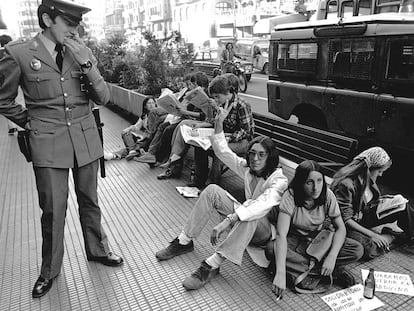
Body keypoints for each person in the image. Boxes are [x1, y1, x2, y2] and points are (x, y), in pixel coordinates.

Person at [0, 0, 123, 298]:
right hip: (47, 141)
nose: (74, 29)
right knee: (53, 210)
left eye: (77, 24)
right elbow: (2, 98)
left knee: (90, 201)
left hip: (84, 138)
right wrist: (30, 121)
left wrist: (87, 63)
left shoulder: (82, 52)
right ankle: (50, 270)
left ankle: (98, 249)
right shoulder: (18, 53)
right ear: (47, 19)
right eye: (68, 23)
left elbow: (104, 97)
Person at [155, 101, 288, 291]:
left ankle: (212, 264)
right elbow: (223, 152)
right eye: (252, 154)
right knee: (212, 191)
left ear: (270, 157)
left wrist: (229, 219)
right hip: (244, 224)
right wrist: (219, 124)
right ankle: (184, 240)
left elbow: (263, 204)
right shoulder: (249, 170)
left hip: (264, 234)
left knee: (251, 211)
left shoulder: (279, 180)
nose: (255, 159)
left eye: (261, 155)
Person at [270, 160, 363, 299]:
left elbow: (341, 228)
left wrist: (331, 257)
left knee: (356, 249)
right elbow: (281, 235)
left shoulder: (328, 195)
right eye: (309, 182)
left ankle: (309, 271)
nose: (316, 188)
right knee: (271, 249)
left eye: (319, 181)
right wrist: (280, 274)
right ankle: (334, 272)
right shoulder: (290, 196)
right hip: (294, 240)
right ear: (300, 183)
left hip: (318, 239)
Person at [331, 147, 414, 260]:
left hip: (364, 215)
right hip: (348, 225)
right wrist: (373, 235)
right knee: (369, 249)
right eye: (379, 171)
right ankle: (392, 237)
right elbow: (346, 219)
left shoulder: (367, 179)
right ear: (368, 168)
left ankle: (412, 237)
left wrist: (392, 204)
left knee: (403, 205)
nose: (380, 175)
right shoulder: (346, 185)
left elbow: (371, 202)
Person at [191, 74, 254, 188]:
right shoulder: (221, 103)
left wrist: (228, 138)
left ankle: (212, 183)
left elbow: (247, 131)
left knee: (219, 150)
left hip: (242, 141)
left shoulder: (242, 105)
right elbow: (215, 122)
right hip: (225, 136)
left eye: (217, 97)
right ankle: (199, 180)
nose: (215, 100)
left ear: (228, 92)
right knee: (199, 145)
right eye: (213, 97)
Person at [154, 72, 216, 178]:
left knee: (176, 129)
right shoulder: (196, 94)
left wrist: (186, 113)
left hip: (205, 123)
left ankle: (173, 162)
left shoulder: (210, 96)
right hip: (195, 121)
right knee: (177, 127)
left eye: (194, 85)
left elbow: (206, 116)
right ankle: (172, 160)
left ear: (200, 85)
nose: (191, 87)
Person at [106, 96, 162, 160]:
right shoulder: (144, 116)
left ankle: (114, 155)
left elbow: (153, 131)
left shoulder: (157, 115)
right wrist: (128, 129)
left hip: (150, 140)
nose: (151, 105)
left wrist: (144, 137)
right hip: (143, 139)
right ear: (145, 106)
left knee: (133, 146)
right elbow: (136, 126)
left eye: (153, 103)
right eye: (149, 103)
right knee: (126, 133)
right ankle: (133, 151)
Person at [0, 34, 19, 134]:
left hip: (3, 84)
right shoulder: (10, 52)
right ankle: (12, 126)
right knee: (10, 103)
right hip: (9, 83)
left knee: (5, 103)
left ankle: (11, 126)